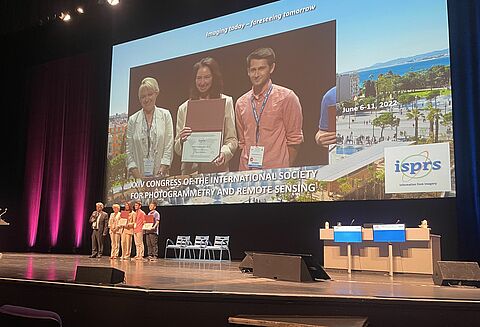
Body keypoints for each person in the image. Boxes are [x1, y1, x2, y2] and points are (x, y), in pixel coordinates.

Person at [235, 48, 303, 170]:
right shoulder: (241, 103)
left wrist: (284, 169)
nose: (256, 74)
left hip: (275, 172)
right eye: (253, 70)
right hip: (246, 172)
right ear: (248, 72)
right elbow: (242, 142)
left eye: (261, 69)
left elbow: (295, 140)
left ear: (271, 68)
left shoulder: (287, 97)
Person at [174, 57, 238, 174]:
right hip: (190, 173)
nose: (202, 82)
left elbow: (232, 139)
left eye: (207, 77)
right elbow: (177, 148)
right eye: (199, 78)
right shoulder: (184, 108)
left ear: (214, 78)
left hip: (217, 170)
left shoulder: (226, 102)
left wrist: (224, 153)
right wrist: (182, 141)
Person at [126, 77, 174, 179]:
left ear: (156, 93)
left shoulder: (165, 115)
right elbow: (129, 153)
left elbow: (168, 147)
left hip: (161, 178)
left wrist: (159, 174)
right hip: (138, 180)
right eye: (143, 96)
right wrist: (139, 178)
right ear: (139, 99)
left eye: (150, 94)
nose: (146, 99)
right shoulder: (132, 120)